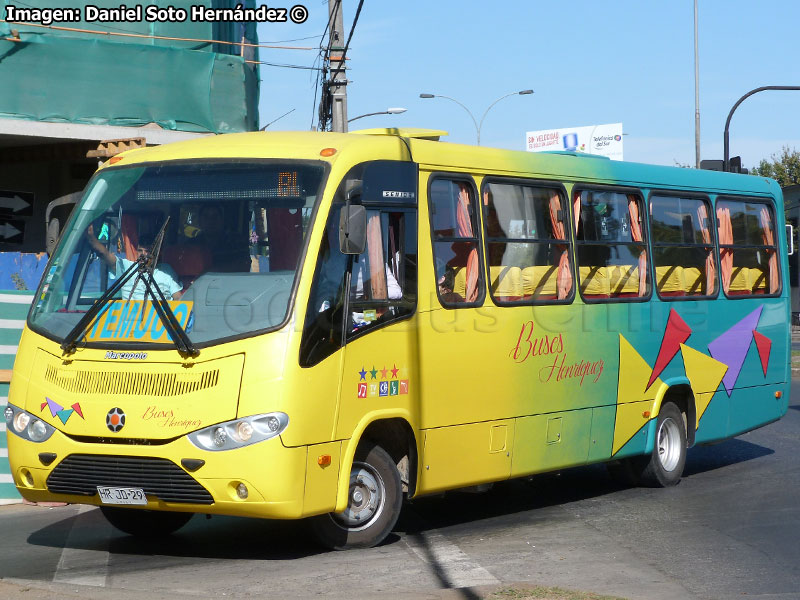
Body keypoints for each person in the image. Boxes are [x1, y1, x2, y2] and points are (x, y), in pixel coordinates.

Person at [86, 224, 183, 301]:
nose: (143, 254)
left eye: (147, 251)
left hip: (160, 321)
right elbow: (104, 254)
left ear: (157, 254)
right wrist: (91, 237)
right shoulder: (127, 268)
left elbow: (178, 298)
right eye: (140, 251)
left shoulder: (166, 270)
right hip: (132, 322)